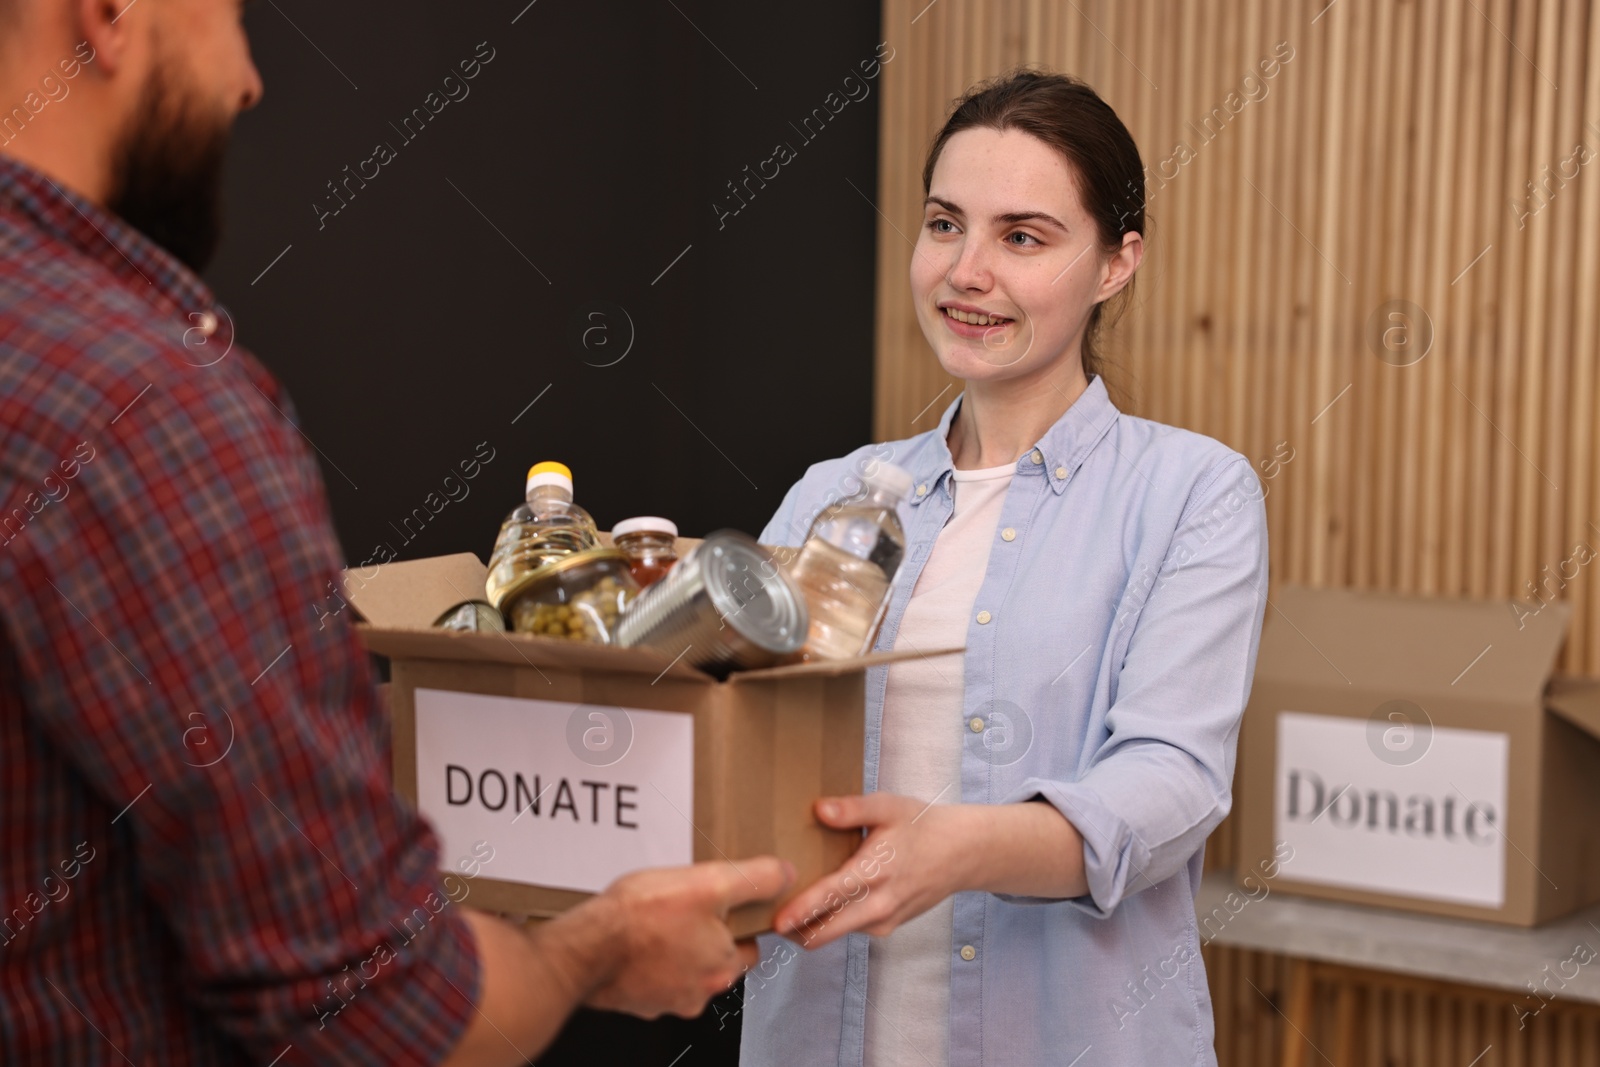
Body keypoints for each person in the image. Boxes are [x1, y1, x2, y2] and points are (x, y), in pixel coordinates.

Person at [0, 1, 790, 1064]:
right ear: (111, 14)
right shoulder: (144, 409)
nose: (248, 81)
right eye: (229, 15)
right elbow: (368, 1008)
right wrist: (586, 953)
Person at [739, 71, 1270, 1067]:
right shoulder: (830, 493)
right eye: (945, 224)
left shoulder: (1193, 493)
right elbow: (744, 730)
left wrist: (959, 846)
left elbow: (1168, 784)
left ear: (1117, 262)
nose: (964, 271)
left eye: (1021, 237)